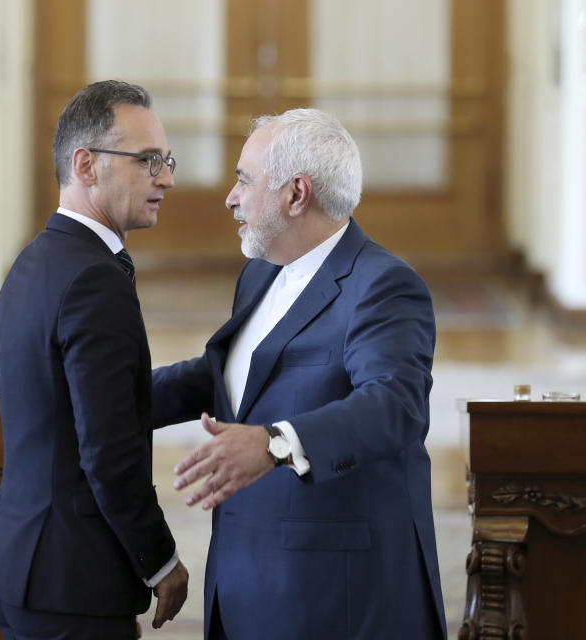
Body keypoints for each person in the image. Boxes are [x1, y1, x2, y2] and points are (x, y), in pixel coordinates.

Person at [152, 108, 446, 639]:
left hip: (336, 598)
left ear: (296, 194)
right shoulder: (260, 272)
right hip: (245, 582)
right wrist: (104, 396)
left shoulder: (382, 286)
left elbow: (393, 405)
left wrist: (275, 444)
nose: (230, 196)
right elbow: (227, 377)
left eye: (243, 179)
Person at [0, 80, 188, 639]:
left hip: (22, 567)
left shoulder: (34, 261)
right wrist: (160, 559)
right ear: (86, 165)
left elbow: (77, 410)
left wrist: (213, 377)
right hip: (71, 583)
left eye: (165, 160)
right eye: (147, 161)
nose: (165, 177)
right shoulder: (94, 278)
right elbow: (108, 452)